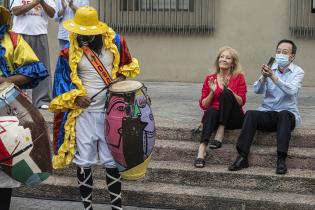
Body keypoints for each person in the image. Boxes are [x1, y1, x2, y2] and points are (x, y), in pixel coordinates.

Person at [49, 6, 140, 210]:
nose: (83, 37)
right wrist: (77, 96)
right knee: (84, 162)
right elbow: (62, 81)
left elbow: (127, 66)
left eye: (87, 34)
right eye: (80, 33)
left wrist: (120, 77)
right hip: (84, 115)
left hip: (112, 113)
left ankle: (117, 207)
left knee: (111, 161)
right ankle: (87, 208)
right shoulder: (68, 51)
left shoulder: (115, 42)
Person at [228, 39, 304, 175]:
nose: (280, 54)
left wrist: (273, 77)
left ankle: (281, 159)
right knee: (251, 114)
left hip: (287, 116)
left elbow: (292, 90)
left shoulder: (298, 72)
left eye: (285, 52)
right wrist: (263, 77)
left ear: (292, 56)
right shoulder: (271, 68)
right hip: (268, 113)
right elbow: (257, 90)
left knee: (284, 114)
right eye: (278, 51)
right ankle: (242, 157)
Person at [0, 6, 48, 209]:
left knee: (4, 169)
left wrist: (5, 80)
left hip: (6, 111)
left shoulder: (12, 40)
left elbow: (35, 71)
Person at [194, 46, 247, 168]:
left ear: (233, 63)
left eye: (228, 58)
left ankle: (221, 131)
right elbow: (203, 105)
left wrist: (228, 89)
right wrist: (212, 92)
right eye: (221, 57)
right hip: (215, 116)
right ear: (218, 60)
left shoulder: (239, 77)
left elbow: (241, 102)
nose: (223, 59)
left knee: (227, 93)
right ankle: (201, 151)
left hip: (234, 118)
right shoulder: (210, 78)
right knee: (211, 110)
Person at [11, 0, 56, 109]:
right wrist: (35, 2)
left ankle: (42, 100)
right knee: (18, 68)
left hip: (40, 34)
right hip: (20, 34)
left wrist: (42, 2)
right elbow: (15, 11)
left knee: (43, 67)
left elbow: (52, 13)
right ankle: (17, 98)